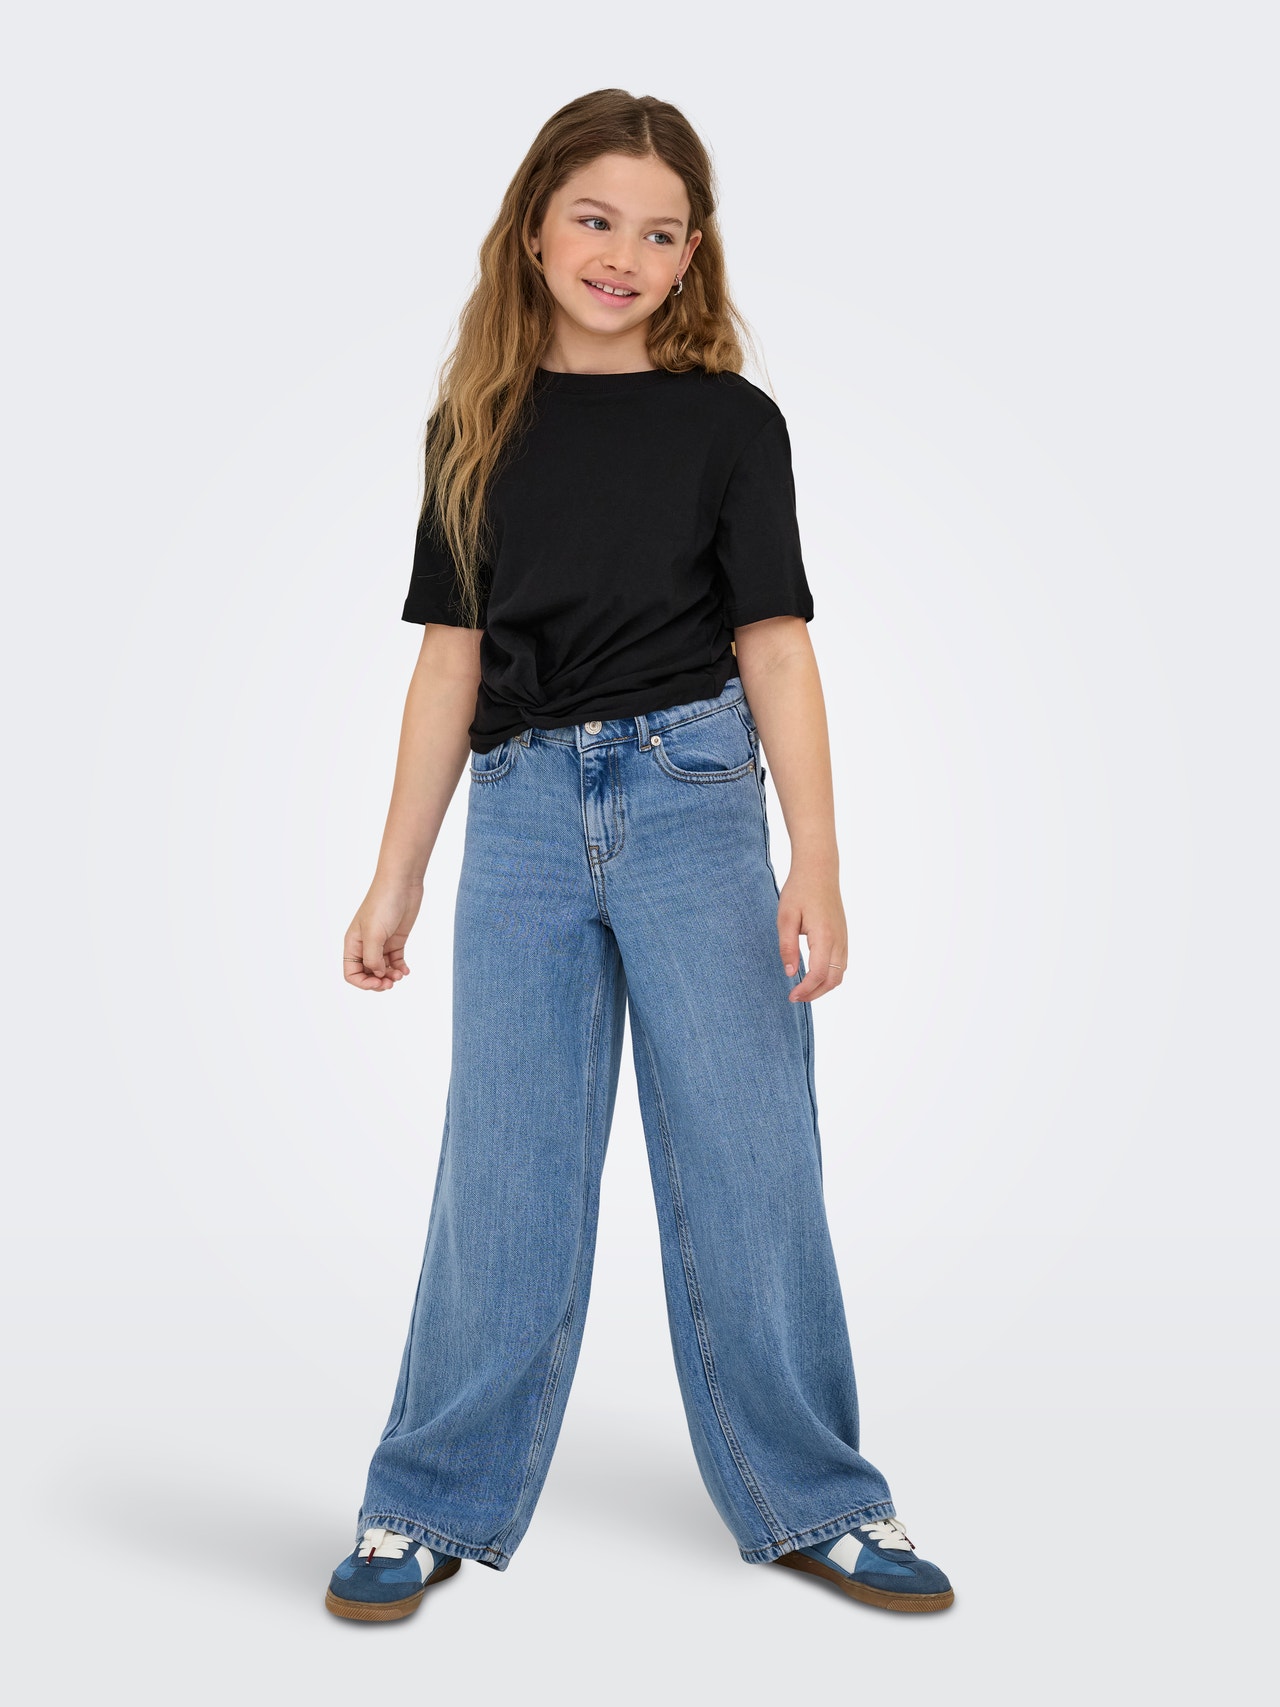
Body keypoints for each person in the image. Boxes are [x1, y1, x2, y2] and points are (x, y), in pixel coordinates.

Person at [325, 88, 954, 1623]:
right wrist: (397, 871)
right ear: (535, 226)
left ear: (694, 254)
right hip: (523, 816)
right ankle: (426, 1502)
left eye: (663, 233)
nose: (626, 255)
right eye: (598, 219)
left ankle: (816, 1497)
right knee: (506, 1172)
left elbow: (776, 645)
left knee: (752, 1159)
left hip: (692, 802)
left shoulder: (730, 423)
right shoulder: (474, 428)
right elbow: (449, 662)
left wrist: (817, 859)